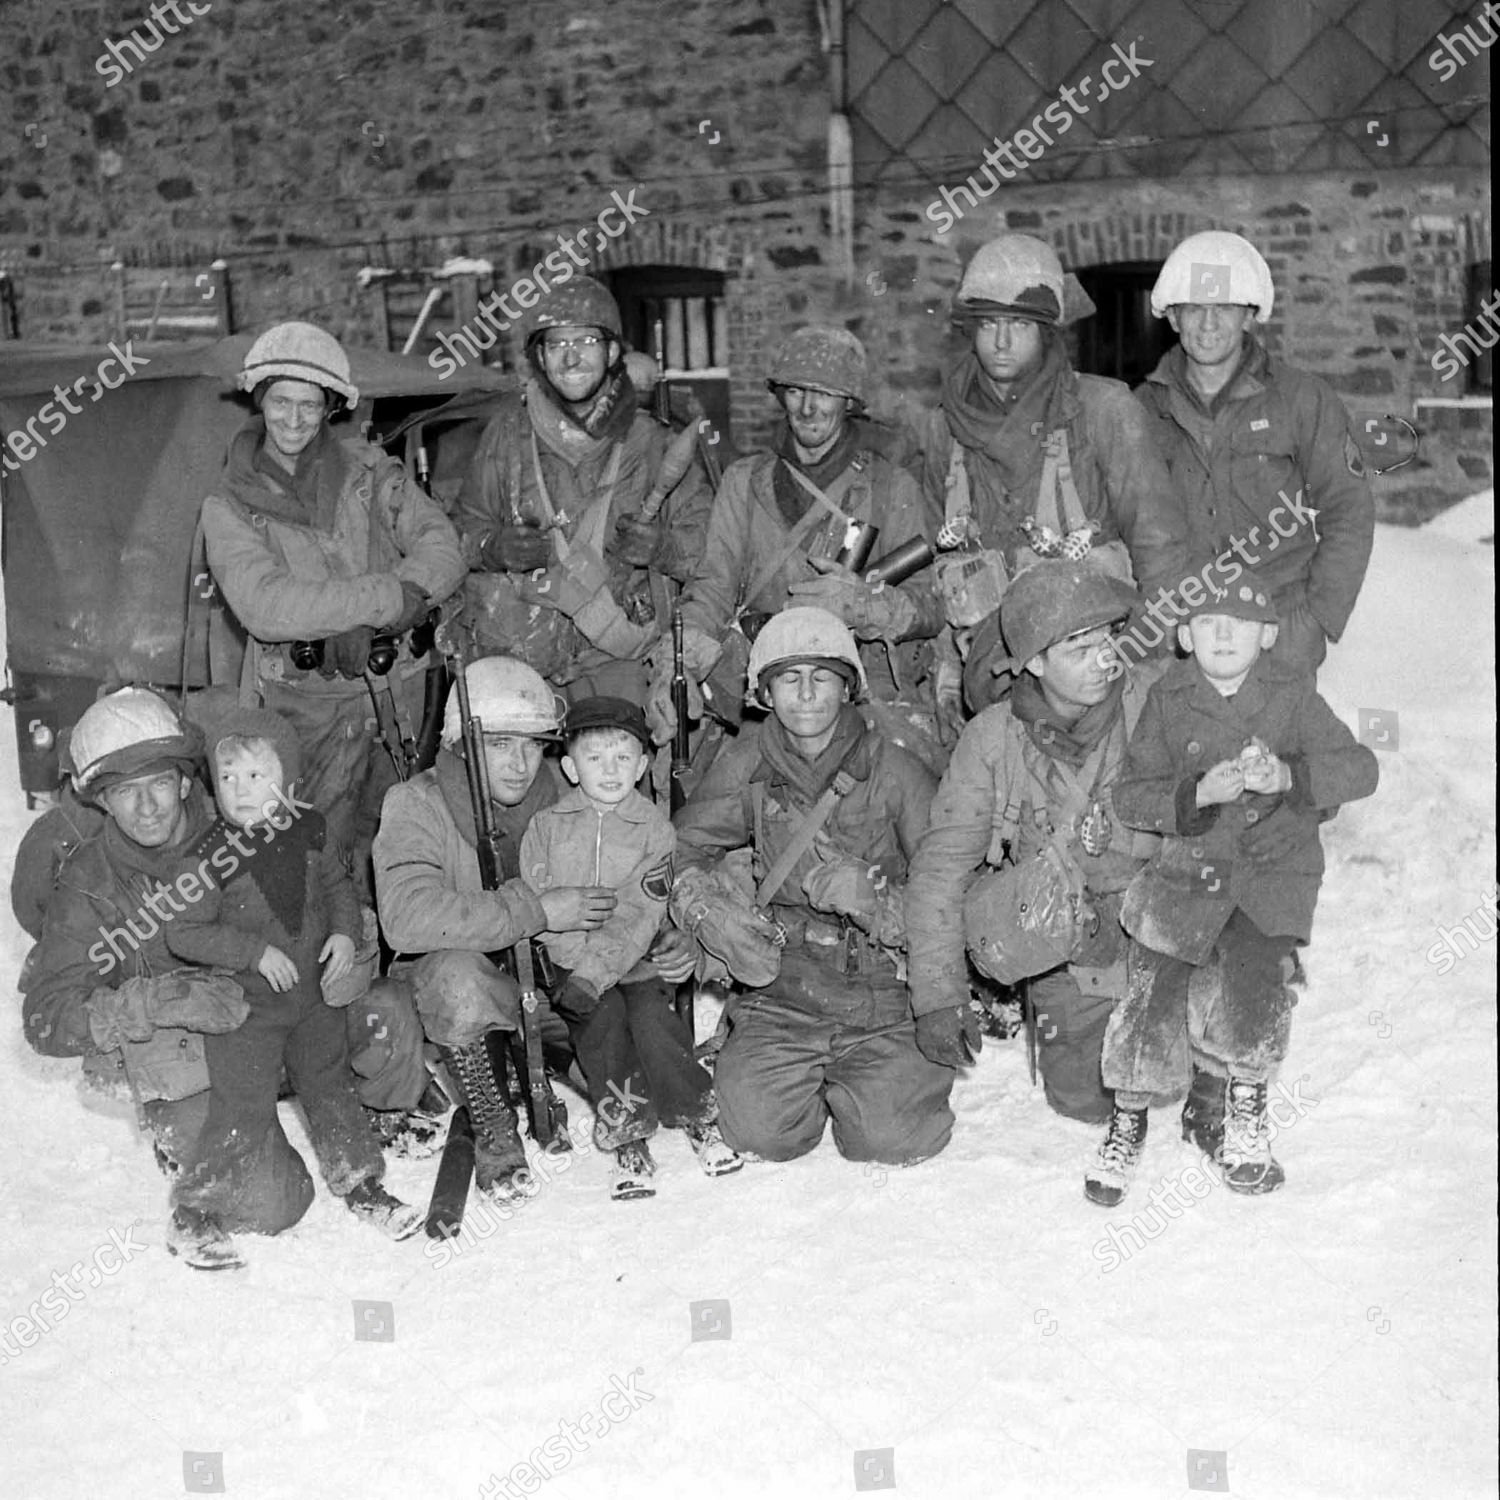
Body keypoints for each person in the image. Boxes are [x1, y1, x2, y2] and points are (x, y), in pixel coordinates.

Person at [15, 690, 416, 1263]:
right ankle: (196, 1146)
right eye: (125, 792)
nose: (147, 807)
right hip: (192, 1054)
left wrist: (348, 943)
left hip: (287, 1010)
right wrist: (154, 1001)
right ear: (101, 800)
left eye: (159, 783)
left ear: (186, 782)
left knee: (385, 1015)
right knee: (275, 1201)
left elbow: (328, 887)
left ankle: (359, 1138)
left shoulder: (244, 804)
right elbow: (44, 1019)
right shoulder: (88, 882)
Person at [1088, 581, 1378, 1204]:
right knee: (1151, 986)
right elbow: (1130, 796)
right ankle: (1129, 1115)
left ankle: (1247, 1101)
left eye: (1240, 623)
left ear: (1268, 635)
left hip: (1268, 873)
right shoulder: (1168, 699)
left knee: (1255, 981)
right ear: (1183, 636)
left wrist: (1288, 777)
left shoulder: (1292, 694)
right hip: (1189, 872)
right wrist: (1196, 794)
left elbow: (1361, 767)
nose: (1223, 635)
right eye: (1208, 623)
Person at [371, 657, 698, 1203]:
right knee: (459, 978)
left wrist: (673, 935)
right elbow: (406, 918)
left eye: (532, 745)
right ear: (460, 744)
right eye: (500, 744)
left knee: (640, 1076)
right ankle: (494, 1122)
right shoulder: (416, 803)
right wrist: (537, 911)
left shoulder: (568, 794)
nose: (521, 764)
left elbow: (632, 881)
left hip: (551, 987)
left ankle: (546, 1069)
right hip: (463, 995)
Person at [671, 607, 953, 1166]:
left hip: (881, 989)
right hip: (783, 985)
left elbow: (949, 892)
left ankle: (864, 1081)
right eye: (788, 678)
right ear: (765, 693)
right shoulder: (748, 763)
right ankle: (793, 1073)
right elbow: (678, 848)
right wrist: (709, 911)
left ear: (847, 687)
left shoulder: (895, 768)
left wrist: (876, 901)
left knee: (890, 1140)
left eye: (821, 677)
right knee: (758, 1133)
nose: (805, 694)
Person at [200, 321, 466, 883]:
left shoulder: (370, 472)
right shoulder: (228, 506)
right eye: (281, 402)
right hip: (302, 711)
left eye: (309, 404)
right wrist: (388, 598)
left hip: (397, 700)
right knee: (309, 867)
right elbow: (266, 606)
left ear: (330, 407)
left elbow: (441, 546)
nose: (294, 419)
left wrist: (389, 607)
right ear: (260, 400)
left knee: (411, 857)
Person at [905, 561, 1167, 1125]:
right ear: (1034, 663)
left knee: (1195, 1060)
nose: (1105, 660)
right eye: (1080, 649)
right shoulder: (993, 739)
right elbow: (941, 869)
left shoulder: (1157, 700)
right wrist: (938, 995)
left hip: (1167, 921)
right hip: (1070, 944)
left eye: (1109, 640)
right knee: (1085, 1099)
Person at [160, 704, 421, 1266]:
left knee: (330, 1089)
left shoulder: (311, 830)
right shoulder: (206, 857)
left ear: (289, 779)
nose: (240, 790)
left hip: (311, 1001)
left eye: (257, 775)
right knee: (241, 1108)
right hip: (246, 1010)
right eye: (228, 776)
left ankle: (361, 1182)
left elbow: (338, 888)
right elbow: (183, 931)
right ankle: (195, 1212)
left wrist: (346, 935)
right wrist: (253, 953)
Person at [919, 234, 1186, 715]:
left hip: (1094, 675)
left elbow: (1159, 549)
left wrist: (1141, 664)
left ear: (1047, 333)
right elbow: (931, 560)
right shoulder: (944, 429)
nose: (1001, 342)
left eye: (1019, 324)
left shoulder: (1104, 412)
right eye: (988, 323)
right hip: (984, 680)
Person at [659, 326, 945, 769]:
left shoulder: (891, 487)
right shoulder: (744, 481)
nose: (808, 409)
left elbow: (930, 606)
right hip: (764, 696)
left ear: (849, 402)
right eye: (795, 391)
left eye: (824, 394)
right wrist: (680, 663)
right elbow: (712, 589)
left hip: (861, 698)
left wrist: (863, 605)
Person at [520, 697, 740, 1198]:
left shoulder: (655, 831)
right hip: (570, 963)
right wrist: (577, 967)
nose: (610, 770)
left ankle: (695, 1112)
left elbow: (642, 912)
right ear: (570, 768)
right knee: (602, 1024)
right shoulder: (546, 828)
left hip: (635, 956)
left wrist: (594, 974)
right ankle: (628, 1131)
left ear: (642, 766)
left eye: (623, 757)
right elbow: (540, 906)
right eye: (594, 757)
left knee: (652, 1017)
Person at [456, 276, 712, 706]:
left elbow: (713, 554)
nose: (571, 357)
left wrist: (664, 549)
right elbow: (461, 531)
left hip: (623, 665)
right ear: (540, 356)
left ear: (611, 352)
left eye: (586, 341)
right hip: (525, 666)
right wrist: (491, 547)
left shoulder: (653, 444)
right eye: (557, 344)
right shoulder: (506, 437)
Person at [1136, 230, 1375, 673]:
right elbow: (1129, 527)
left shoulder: (1302, 400)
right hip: (1180, 639)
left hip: (1279, 635)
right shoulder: (1142, 411)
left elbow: (1348, 509)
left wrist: (1315, 619)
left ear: (1249, 316)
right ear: (1172, 317)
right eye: (1194, 308)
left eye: (1224, 308)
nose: (1208, 324)